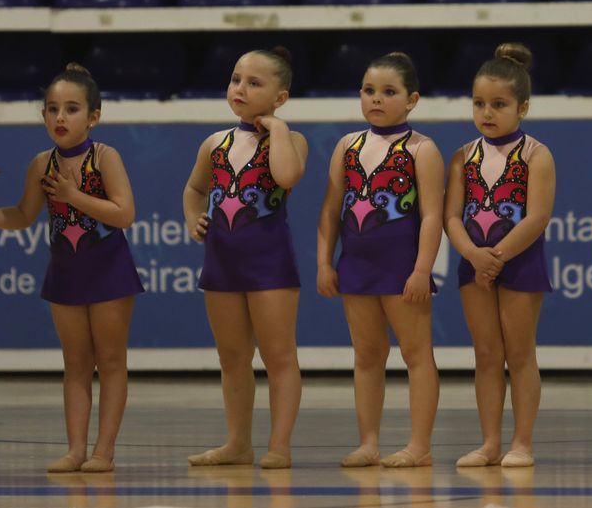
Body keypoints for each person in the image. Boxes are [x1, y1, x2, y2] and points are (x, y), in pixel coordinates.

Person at [0, 64, 142, 473]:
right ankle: (75, 449)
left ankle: (104, 451)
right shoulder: (41, 164)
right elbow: (23, 214)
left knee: (109, 361)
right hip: (66, 272)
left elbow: (124, 214)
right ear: (42, 115)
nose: (60, 117)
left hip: (109, 270)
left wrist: (74, 195)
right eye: (52, 109)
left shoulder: (105, 157)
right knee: (75, 363)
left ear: (93, 117)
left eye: (71, 109)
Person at [316, 52, 444, 469]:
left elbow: (431, 216)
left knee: (416, 354)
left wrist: (422, 268)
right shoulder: (347, 146)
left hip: (403, 270)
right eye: (370, 91)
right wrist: (324, 262)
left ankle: (419, 445)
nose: (377, 99)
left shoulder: (421, 149)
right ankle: (368, 442)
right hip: (356, 266)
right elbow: (331, 210)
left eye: (389, 92)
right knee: (367, 355)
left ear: (412, 99)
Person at [184, 48, 307, 470]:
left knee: (279, 357)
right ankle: (237, 443)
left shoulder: (291, 140)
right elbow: (194, 190)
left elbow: (287, 177)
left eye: (254, 83)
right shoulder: (214, 143)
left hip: (270, 265)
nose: (240, 88)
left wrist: (276, 127)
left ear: (280, 96)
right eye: (237, 79)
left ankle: (280, 445)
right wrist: (192, 219)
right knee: (232, 357)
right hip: (221, 263)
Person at [443, 43, 556, 469]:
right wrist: (474, 254)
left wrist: (498, 257)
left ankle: (522, 442)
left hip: (520, 262)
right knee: (487, 354)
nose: (487, 112)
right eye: (479, 104)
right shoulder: (463, 156)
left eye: (499, 104)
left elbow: (538, 215)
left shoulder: (535, 154)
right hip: (473, 264)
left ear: (522, 107)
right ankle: (490, 442)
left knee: (520, 353)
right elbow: (452, 216)